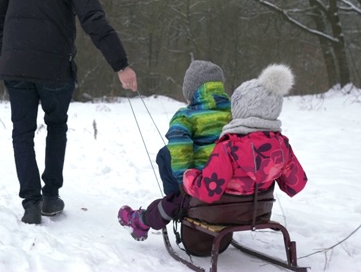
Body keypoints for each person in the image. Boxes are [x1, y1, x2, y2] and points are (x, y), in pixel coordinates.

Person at [0, 0, 137, 225]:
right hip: (54, 69)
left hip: (14, 66)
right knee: (56, 125)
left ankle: (30, 203)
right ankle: (50, 197)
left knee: (22, 132)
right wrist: (121, 65)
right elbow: (93, 19)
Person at [118, 64, 307, 241]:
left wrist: (185, 180)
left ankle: (143, 220)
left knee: (168, 168)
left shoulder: (228, 144)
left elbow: (197, 174)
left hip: (214, 201)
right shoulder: (280, 145)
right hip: (257, 208)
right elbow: (295, 185)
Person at [155, 60, 232, 195]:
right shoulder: (233, 113)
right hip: (228, 175)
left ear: (191, 93)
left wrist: (184, 182)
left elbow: (179, 147)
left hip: (199, 179)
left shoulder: (185, 116)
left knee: (165, 153)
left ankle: (175, 199)